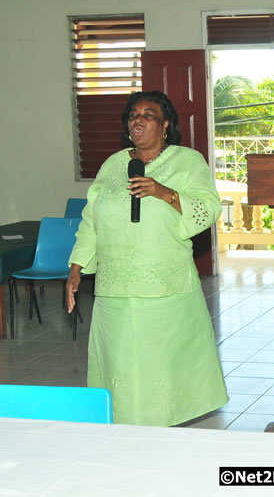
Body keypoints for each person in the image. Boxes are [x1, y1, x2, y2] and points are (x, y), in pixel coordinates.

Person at [66, 90, 228, 426]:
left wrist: (164, 192)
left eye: (148, 115)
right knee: (120, 366)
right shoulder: (113, 164)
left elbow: (208, 209)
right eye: (133, 115)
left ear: (166, 124)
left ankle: (162, 433)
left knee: (161, 370)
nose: (138, 120)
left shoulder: (187, 161)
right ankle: (125, 431)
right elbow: (91, 219)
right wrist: (76, 267)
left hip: (165, 289)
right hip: (115, 289)